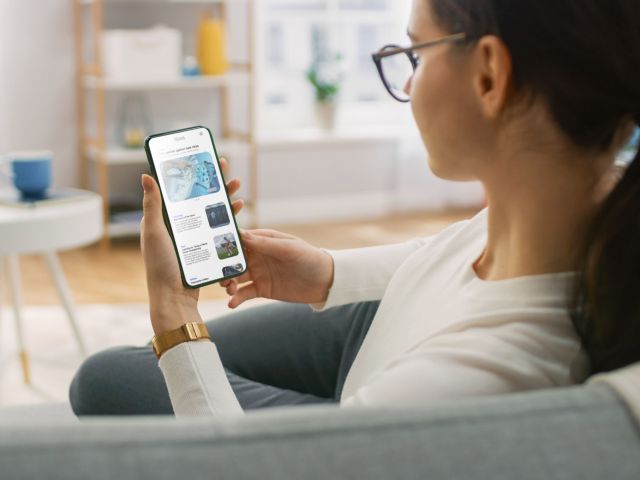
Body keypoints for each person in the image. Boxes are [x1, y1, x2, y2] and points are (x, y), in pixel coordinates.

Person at [70, 0, 640, 418]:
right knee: (119, 372)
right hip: (396, 317)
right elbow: (454, 247)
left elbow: (239, 468)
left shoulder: (475, 376)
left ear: (490, 75)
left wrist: (173, 308)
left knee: (108, 378)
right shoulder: (582, 207)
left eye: (414, 53)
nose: (408, 82)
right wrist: (327, 272)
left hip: (392, 370)